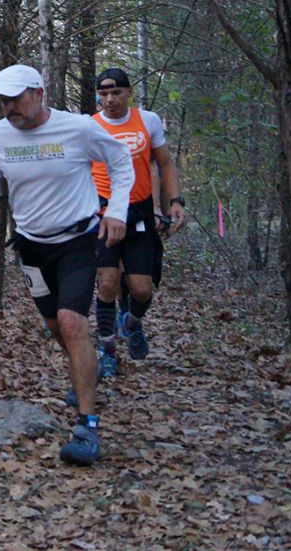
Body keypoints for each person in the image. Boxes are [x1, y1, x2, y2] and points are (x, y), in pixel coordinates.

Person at [0, 64, 134, 466]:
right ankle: (85, 372)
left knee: (72, 322)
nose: (9, 107)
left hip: (78, 240)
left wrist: (117, 211)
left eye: (16, 99)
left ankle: (87, 426)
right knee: (57, 327)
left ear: (39, 94)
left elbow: (120, 161)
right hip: (31, 245)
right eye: (3, 101)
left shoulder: (77, 128)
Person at [89, 68, 187, 378]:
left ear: (129, 92)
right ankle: (107, 352)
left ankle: (131, 324)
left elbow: (164, 163)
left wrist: (174, 202)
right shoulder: (89, 126)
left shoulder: (149, 121)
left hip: (139, 212)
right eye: (103, 94)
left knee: (141, 290)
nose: (109, 99)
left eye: (116, 93)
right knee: (107, 283)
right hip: (103, 214)